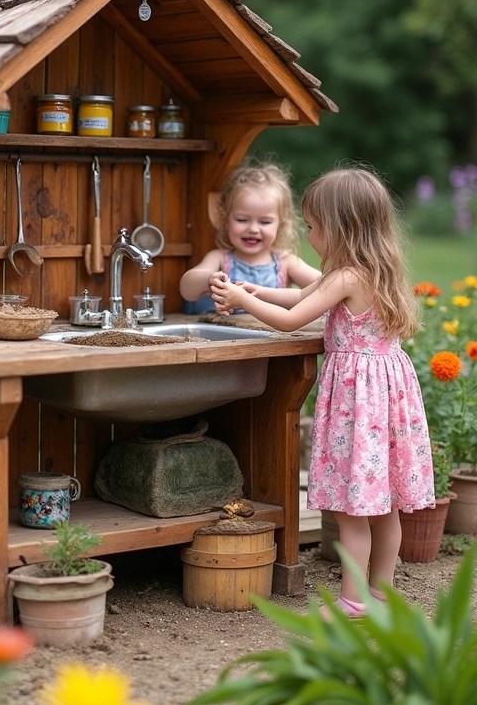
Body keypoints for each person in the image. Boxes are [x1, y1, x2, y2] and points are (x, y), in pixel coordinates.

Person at [209, 165, 435, 617]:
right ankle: (380, 596)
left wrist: (241, 301)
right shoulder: (376, 270)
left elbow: (294, 320)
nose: (309, 234)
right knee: (385, 509)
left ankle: (352, 602)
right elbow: (298, 298)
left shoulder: (347, 276)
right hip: (385, 401)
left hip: (359, 406)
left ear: (339, 228)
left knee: (352, 514)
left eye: (313, 226)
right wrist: (258, 289)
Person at [179, 160, 320, 315]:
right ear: (226, 219)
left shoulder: (286, 263)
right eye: (242, 220)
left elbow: (326, 287)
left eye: (265, 222)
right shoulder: (220, 258)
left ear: (281, 224)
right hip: (229, 337)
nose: (253, 229)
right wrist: (209, 280)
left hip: (274, 338)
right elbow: (187, 290)